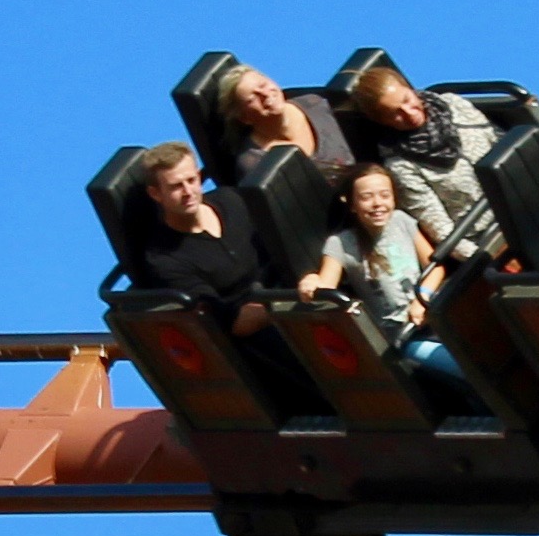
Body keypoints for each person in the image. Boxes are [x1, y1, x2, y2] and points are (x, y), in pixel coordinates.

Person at [301, 162, 469, 390]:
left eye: (384, 195)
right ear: (351, 204)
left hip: (434, 318)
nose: (377, 203)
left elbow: (435, 267)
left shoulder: (401, 221)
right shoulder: (341, 243)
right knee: (462, 366)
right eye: (366, 197)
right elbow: (325, 287)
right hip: (404, 336)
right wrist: (311, 282)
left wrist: (422, 298)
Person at [347, 63, 503, 259]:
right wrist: (483, 258)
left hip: (519, 200)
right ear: (382, 121)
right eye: (395, 113)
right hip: (488, 235)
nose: (409, 113)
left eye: (407, 99)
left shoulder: (453, 104)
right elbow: (442, 230)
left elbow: (498, 142)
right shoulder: (401, 165)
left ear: (412, 89)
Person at [129, 145, 275, 336]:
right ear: (155, 194)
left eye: (191, 180)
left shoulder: (231, 200)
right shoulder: (166, 259)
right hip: (260, 327)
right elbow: (231, 324)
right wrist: (281, 308)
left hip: (286, 288)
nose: (188, 191)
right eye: (176, 186)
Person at [206, 64, 328, 189]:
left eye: (263, 85)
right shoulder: (256, 165)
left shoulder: (317, 104)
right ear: (244, 118)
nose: (265, 94)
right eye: (252, 98)